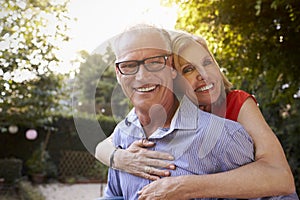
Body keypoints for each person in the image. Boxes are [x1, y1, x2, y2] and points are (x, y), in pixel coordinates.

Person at [98, 25, 297, 200]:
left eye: (207, 63)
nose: (203, 74)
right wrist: (120, 158)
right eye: (188, 69)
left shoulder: (236, 106)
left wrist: (185, 186)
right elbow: (105, 145)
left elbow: (280, 179)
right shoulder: (146, 122)